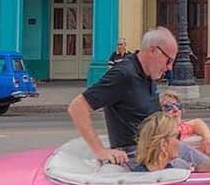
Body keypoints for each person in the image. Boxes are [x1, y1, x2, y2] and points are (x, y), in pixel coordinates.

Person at [68, 27, 177, 165]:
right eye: (169, 61)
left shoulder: (148, 74)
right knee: (204, 167)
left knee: (203, 146)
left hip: (155, 151)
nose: (170, 67)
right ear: (153, 50)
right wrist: (100, 151)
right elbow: (78, 107)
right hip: (137, 157)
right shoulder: (123, 74)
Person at [160, 89, 210, 156]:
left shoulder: (185, 127)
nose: (175, 109)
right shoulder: (157, 131)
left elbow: (197, 123)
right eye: (168, 107)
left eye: (177, 105)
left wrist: (207, 139)